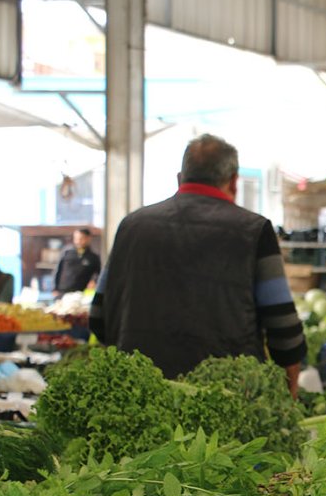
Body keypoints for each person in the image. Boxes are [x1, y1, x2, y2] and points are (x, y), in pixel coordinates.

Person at [89, 134, 306, 390]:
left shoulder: (131, 226)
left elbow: (98, 317)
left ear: (180, 179)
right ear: (234, 182)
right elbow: (283, 327)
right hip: (226, 395)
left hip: (139, 393)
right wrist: (289, 395)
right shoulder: (254, 231)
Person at [52, 227, 102, 295]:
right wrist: (54, 288)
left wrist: (94, 281)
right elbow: (58, 270)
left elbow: (99, 274)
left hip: (81, 292)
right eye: (76, 238)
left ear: (88, 238)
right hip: (63, 291)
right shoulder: (67, 252)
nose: (78, 241)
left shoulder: (93, 257)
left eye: (81, 238)